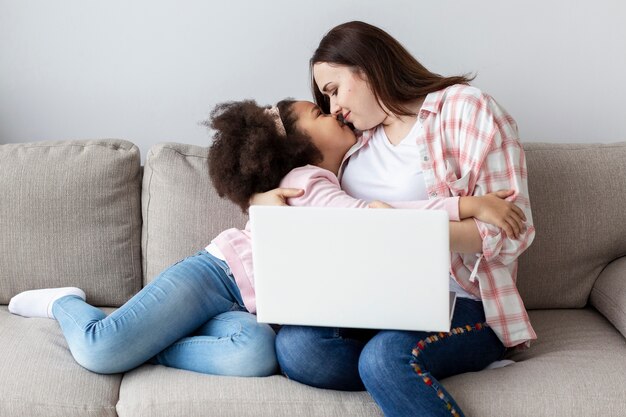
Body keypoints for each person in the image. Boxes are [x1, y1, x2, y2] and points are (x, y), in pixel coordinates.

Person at [8, 98, 524, 382]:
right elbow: (373, 219)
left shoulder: (334, 179)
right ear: (297, 148)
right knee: (101, 350)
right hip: (217, 277)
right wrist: (465, 204)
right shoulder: (307, 181)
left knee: (254, 357)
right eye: (322, 114)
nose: (337, 112)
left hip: (254, 311)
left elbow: (371, 216)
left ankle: (153, 345)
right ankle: (65, 305)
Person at [252, 21, 537, 417]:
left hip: (459, 301)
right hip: (370, 298)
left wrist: (406, 235)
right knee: (298, 349)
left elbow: (510, 234)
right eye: (326, 100)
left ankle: (395, 368)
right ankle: (403, 375)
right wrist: (260, 198)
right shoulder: (353, 141)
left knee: (383, 359)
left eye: (334, 90)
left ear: (366, 67)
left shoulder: (464, 109)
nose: (334, 109)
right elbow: (309, 192)